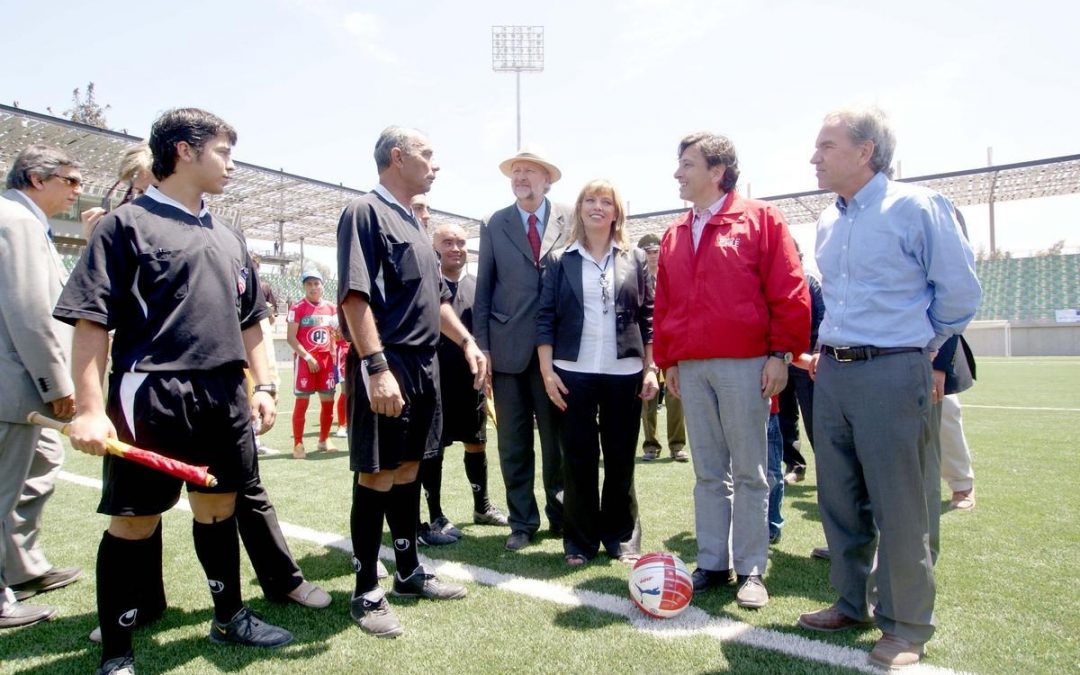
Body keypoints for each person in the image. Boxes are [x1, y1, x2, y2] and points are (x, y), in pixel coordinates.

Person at [56, 108, 294, 674]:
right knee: (135, 520)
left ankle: (228, 617)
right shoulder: (125, 225)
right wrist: (91, 409)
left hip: (224, 396)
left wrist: (262, 384)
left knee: (219, 508)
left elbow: (251, 319)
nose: (232, 165)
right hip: (152, 395)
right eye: (223, 152)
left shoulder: (230, 236)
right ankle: (117, 653)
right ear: (184, 151)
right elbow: (92, 323)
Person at [797, 106, 981, 670]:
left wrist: (924, 350)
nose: (814, 157)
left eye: (827, 146)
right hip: (834, 371)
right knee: (840, 497)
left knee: (903, 504)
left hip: (893, 369)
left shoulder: (918, 206)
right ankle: (851, 602)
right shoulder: (830, 220)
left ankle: (906, 626)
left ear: (865, 152)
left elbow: (959, 293)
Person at [652, 132, 809, 609]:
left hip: (746, 365)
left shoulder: (761, 218)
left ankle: (753, 569)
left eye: (687, 164)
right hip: (692, 368)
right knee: (707, 472)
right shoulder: (675, 232)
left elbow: (788, 287)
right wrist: (670, 361)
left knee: (751, 472)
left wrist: (781, 354)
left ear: (717, 171)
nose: (678, 173)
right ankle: (712, 563)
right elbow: (666, 304)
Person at [337, 126, 482, 638]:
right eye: (427, 154)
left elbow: (436, 302)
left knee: (408, 472)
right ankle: (364, 591)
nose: (435, 164)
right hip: (391, 362)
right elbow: (354, 298)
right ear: (398, 158)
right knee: (377, 474)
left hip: (426, 366)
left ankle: (407, 573)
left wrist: (465, 341)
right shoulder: (365, 213)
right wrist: (376, 367)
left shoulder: (415, 224)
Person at [537, 179, 657, 566]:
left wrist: (651, 368)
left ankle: (621, 537)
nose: (598, 207)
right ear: (579, 208)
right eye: (591, 200)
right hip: (572, 371)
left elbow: (648, 316)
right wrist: (547, 371)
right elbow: (545, 319)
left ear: (616, 212)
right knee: (578, 458)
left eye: (606, 201)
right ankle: (579, 541)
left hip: (625, 371)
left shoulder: (635, 258)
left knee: (621, 457)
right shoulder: (559, 260)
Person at [0, 145, 83, 629]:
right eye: (70, 181)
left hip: (18, 383)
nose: (76, 191)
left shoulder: (23, 219)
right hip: (15, 384)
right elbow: (31, 312)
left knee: (39, 466)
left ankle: (22, 567)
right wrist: (56, 382)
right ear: (36, 178)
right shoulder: (17, 221)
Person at [474, 148, 570, 551]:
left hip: (559, 351)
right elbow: (483, 291)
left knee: (558, 443)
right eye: (516, 172)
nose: (521, 177)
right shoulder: (495, 223)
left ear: (548, 180)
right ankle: (522, 522)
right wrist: (483, 349)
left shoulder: (571, 217)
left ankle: (563, 517)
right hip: (508, 350)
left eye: (530, 171)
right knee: (513, 442)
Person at [419, 222, 509, 546]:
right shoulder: (426, 284)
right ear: (434, 247)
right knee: (433, 450)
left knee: (477, 441)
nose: (455, 248)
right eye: (447, 242)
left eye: (460, 243)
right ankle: (435, 512)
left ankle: (482, 507)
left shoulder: (478, 287)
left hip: (471, 381)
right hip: (434, 382)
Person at [636, 233, 687, 462]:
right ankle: (650, 445)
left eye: (656, 251)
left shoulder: (672, 276)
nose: (653, 256)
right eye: (648, 252)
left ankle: (677, 445)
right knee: (648, 396)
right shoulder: (635, 278)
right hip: (647, 345)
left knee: (676, 395)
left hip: (670, 343)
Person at [779, 245, 825, 485]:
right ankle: (795, 466)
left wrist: (816, 355)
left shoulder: (810, 282)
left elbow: (822, 321)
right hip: (781, 361)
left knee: (814, 418)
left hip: (807, 363)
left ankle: (829, 469)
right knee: (785, 417)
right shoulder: (774, 284)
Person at [287, 270, 339, 459]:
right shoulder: (297, 308)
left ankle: (324, 439)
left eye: (316, 283)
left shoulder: (332, 309)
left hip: (326, 362)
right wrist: (307, 357)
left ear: (322, 285)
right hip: (305, 362)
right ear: (304, 287)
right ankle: (298, 443)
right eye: (309, 284)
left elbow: (337, 335)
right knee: (302, 402)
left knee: (328, 401)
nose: (313, 287)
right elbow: (290, 338)